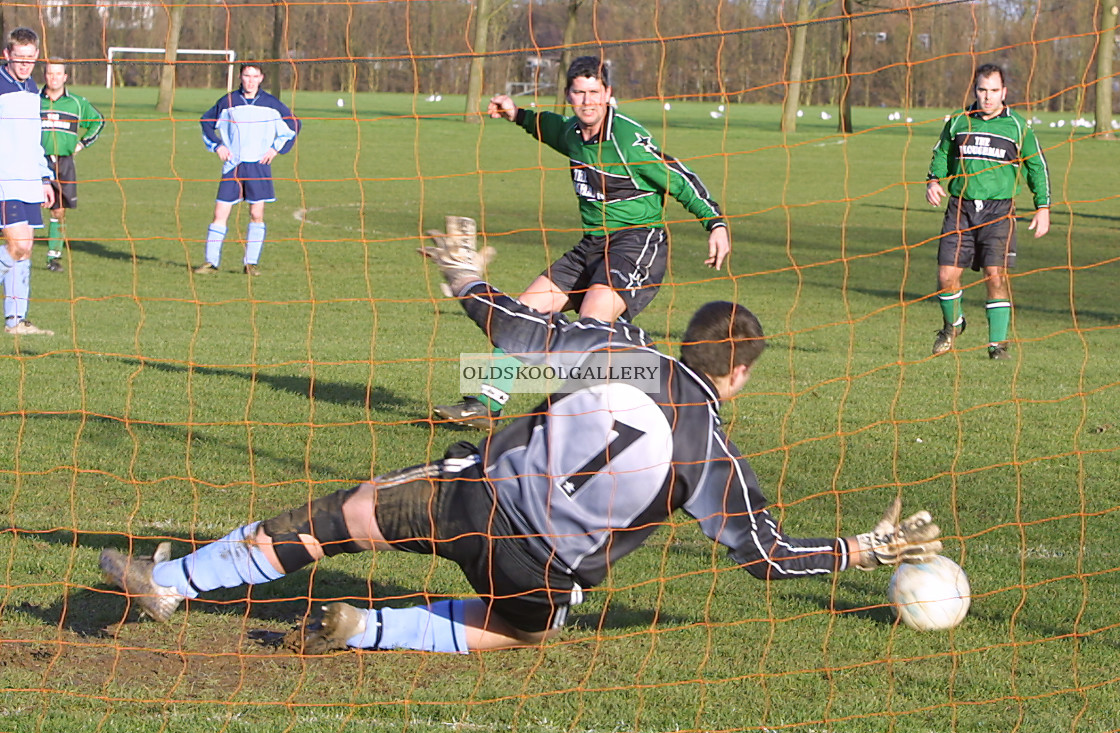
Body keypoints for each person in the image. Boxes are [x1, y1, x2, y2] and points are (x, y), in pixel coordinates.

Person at [99, 218, 942, 654]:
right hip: (539, 571)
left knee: (335, 519)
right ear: (741, 374)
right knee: (518, 632)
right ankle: (371, 632)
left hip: (471, 497)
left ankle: (173, 581)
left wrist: (463, 274)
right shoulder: (707, 453)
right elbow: (765, 555)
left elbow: (513, 337)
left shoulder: (627, 356)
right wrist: (865, 548)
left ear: (689, 342)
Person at [432, 55, 732, 429]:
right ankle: (485, 406)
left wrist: (715, 224)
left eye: (595, 92)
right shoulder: (573, 133)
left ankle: (637, 405)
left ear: (608, 94)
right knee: (523, 311)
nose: (587, 100)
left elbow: (681, 179)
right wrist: (514, 113)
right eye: (579, 92)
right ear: (569, 96)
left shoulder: (627, 140)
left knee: (592, 320)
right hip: (591, 245)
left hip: (637, 244)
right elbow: (547, 126)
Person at [926, 63, 1050, 360]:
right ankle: (953, 325)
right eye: (982, 89)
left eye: (994, 90)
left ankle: (997, 346)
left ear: (1004, 92)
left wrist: (1042, 207)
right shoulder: (958, 121)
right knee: (946, 276)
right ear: (975, 90)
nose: (988, 96)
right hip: (960, 209)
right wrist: (933, 180)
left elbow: (1037, 167)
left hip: (999, 212)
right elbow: (942, 153)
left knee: (996, 276)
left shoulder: (1018, 126)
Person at [194, 63, 300, 276]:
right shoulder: (228, 101)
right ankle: (211, 261)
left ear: (261, 78)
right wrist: (218, 145)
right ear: (240, 77)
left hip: (258, 167)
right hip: (233, 166)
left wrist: (275, 149)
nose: (250, 80)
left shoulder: (271, 104)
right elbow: (206, 121)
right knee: (220, 212)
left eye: (255, 76)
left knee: (256, 213)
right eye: (246, 76)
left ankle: (250, 263)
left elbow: (294, 126)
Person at [0, 27, 54, 336]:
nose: (24, 65)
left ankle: (16, 321)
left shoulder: (33, 88)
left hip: (30, 179)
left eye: (31, 59)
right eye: (19, 58)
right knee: (16, 245)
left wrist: (44, 176)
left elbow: (35, 139)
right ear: (7, 54)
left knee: (26, 250)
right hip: (5, 179)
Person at [39, 59, 105, 273]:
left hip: (64, 162)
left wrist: (82, 143)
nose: (54, 77)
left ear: (65, 77)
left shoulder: (77, 103)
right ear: (45, 75)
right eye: (50, 73)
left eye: (58, 74)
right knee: (24, 207)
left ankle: (53, 257)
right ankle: (17, 249)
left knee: (58, 211)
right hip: (36, 161)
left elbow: (98, 121)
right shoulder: (34, 101)